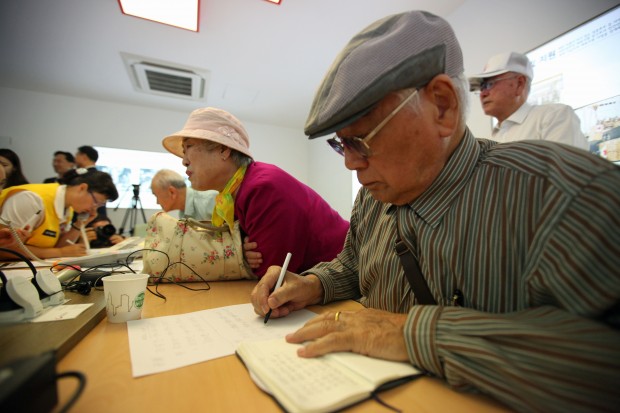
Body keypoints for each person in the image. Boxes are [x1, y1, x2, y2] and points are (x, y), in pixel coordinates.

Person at [250, 11, 620, 413]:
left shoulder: (561, 194)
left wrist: (415, 333)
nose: (350, 165)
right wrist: (312, 284)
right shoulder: (373, 199)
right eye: (341, 146)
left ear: (442, 106)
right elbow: (355, 265)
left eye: (361, 139)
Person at [161, 107, 350, 278]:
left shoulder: (262, 188)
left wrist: (239, 259)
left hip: (346, 277)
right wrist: (240, 251)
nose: (184, 161)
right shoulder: (235, 193)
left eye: (189, 148)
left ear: (223, 150)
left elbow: (271, 276)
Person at [469, 52, 588, 149]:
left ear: (519, 84)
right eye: (482, 88)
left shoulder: (554, 117)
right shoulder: (491, 138)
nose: (483, 94)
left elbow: (567, 173)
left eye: (489, 84)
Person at [0, 168, 119, 259]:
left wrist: (79, 224)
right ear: (82, 188)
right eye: (96, 203)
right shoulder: (31, 199)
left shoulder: (69, 207)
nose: (95, 210)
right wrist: (59, 253)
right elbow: (5, 249)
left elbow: (60, 245)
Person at [150, 169, 217, 221]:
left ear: (172, 192)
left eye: (156, 196)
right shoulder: (183, 213)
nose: (157, 202)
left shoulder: (208, 200)